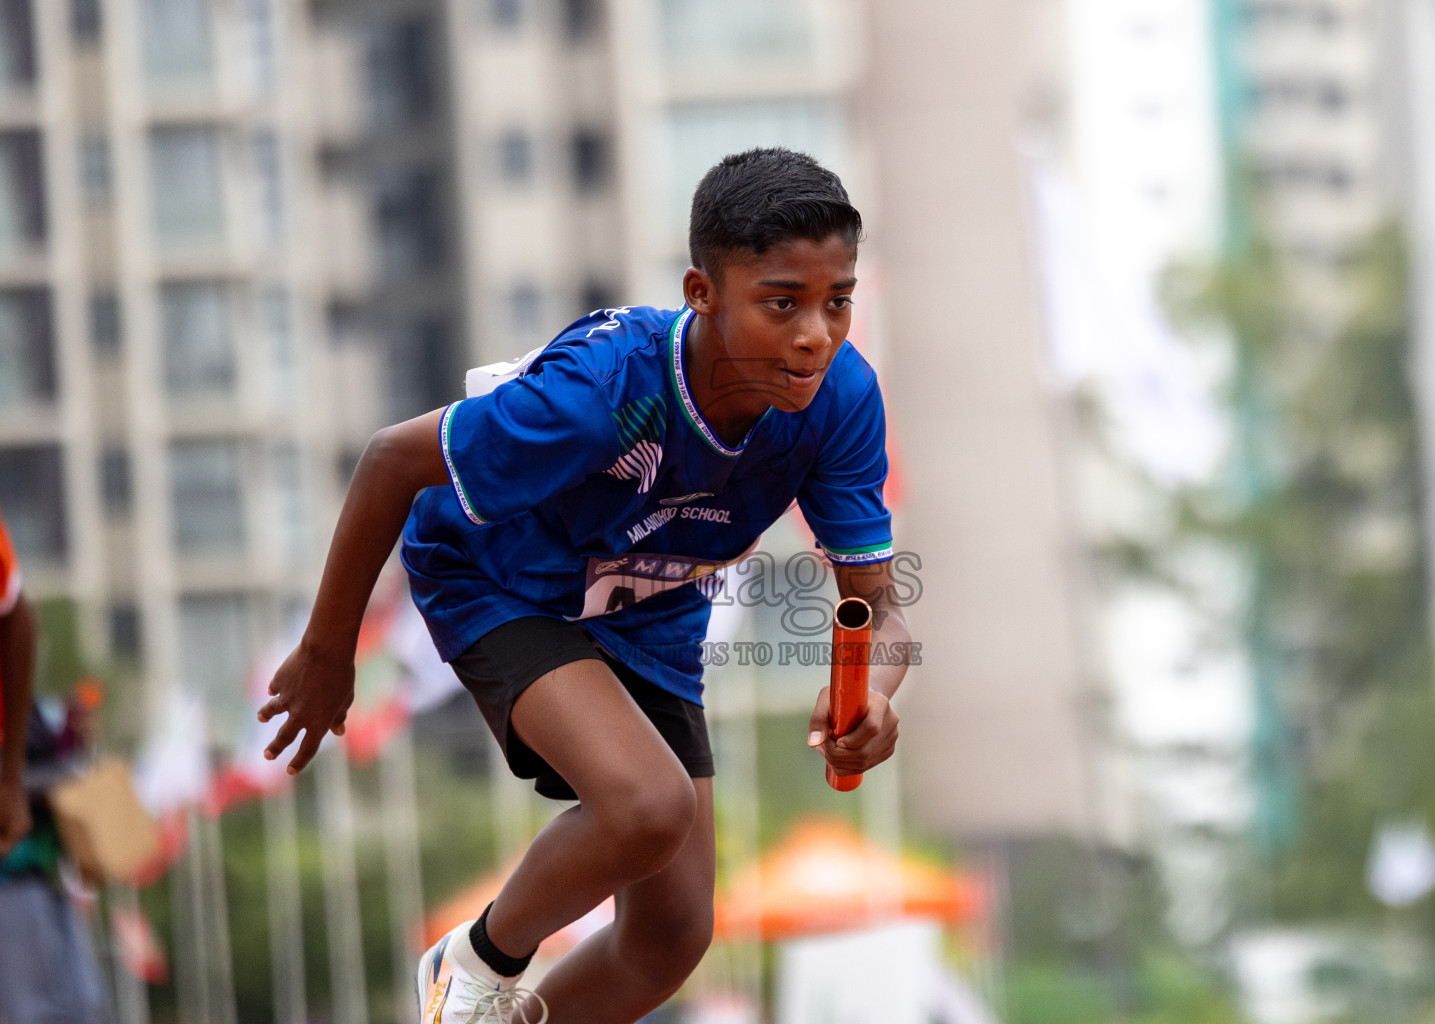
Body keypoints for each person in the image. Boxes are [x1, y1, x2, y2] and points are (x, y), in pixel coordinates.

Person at [260, 148, 912, 1024]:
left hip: (649, 608)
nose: (814, 336)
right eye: (781, 303)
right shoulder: (605, 391)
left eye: (837, 302)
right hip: (498, 574)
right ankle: (471, 965)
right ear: (702, 293)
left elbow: (878, 603)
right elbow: (388, 462)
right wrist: (326, 653)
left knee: (673, 934)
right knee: (646, 807)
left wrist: (869, 691)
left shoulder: (839, 399)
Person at [0, 507, 107, 1024]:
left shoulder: (35, 712)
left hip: (39, 873)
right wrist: (52, 781)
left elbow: (16, 609)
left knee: (78, 1007)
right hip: (11, 881)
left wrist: (74, 759)